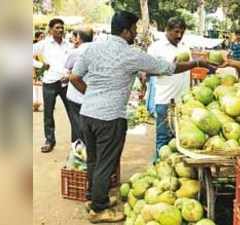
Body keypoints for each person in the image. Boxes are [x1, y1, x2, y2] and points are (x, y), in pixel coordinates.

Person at [70, 11, 213, 223]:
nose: (136, 33)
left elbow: (74, 77)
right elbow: (168, 68)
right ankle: (99, 209)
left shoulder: (92, 49)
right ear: (126, 31)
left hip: (87, 114)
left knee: (93, 159)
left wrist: (92, 96)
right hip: (110, 118)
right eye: (134, 29)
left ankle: (93, 198)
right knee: (105, 164)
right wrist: (195, 64)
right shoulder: (131, 54)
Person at [147, 17, 191, 160]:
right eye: (176, 32)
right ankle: (159, 167)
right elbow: (147, 71)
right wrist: (169, 67)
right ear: (167, 30)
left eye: (182, 32)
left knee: (180, 138)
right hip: (165, 100)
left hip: (184, 102)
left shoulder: (184, 46)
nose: (179, 35)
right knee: (163, 138)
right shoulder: (156, 47)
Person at [33, 18, 74, 153]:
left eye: (62, 27)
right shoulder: (44, 44)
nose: (60, 30)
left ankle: (77, 141)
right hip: (49, 82)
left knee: (73, 112)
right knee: (48, 114)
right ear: (50, 30)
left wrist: (69, 73)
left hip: (65, 83)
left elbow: (74, 60)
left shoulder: (68, 45)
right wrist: (41, 65)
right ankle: (49, 141)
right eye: (57, 27)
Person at [64, 27, 94, 145]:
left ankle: (79, 156)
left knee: (77, 126)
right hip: (92, 95)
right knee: (89, 126)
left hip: (76, 96)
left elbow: (68, 68)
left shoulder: (75, 53)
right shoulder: (98, 52)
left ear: (78, 38)